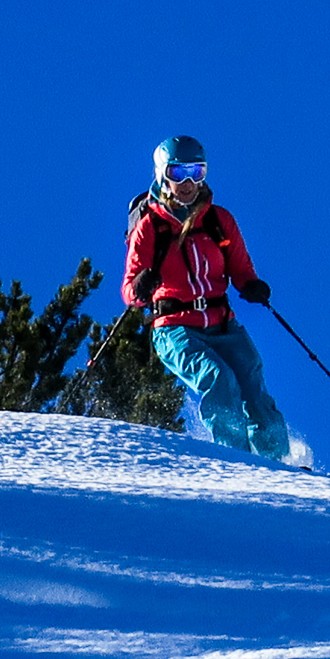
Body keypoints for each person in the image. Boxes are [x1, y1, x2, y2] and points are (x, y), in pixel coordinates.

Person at [123, 136, 291, 460]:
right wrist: (141, 288)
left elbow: (240, 268)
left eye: (196, 172)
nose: (187, 183)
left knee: (252, 382)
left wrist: (252, 285)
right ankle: (238, 461)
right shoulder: (150, 228)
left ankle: (277, 463)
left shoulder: (218, 221)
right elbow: (131, 289)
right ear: (162, 175)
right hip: (175, 329)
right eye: (178, 173)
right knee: (218, 379)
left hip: (222, 324)